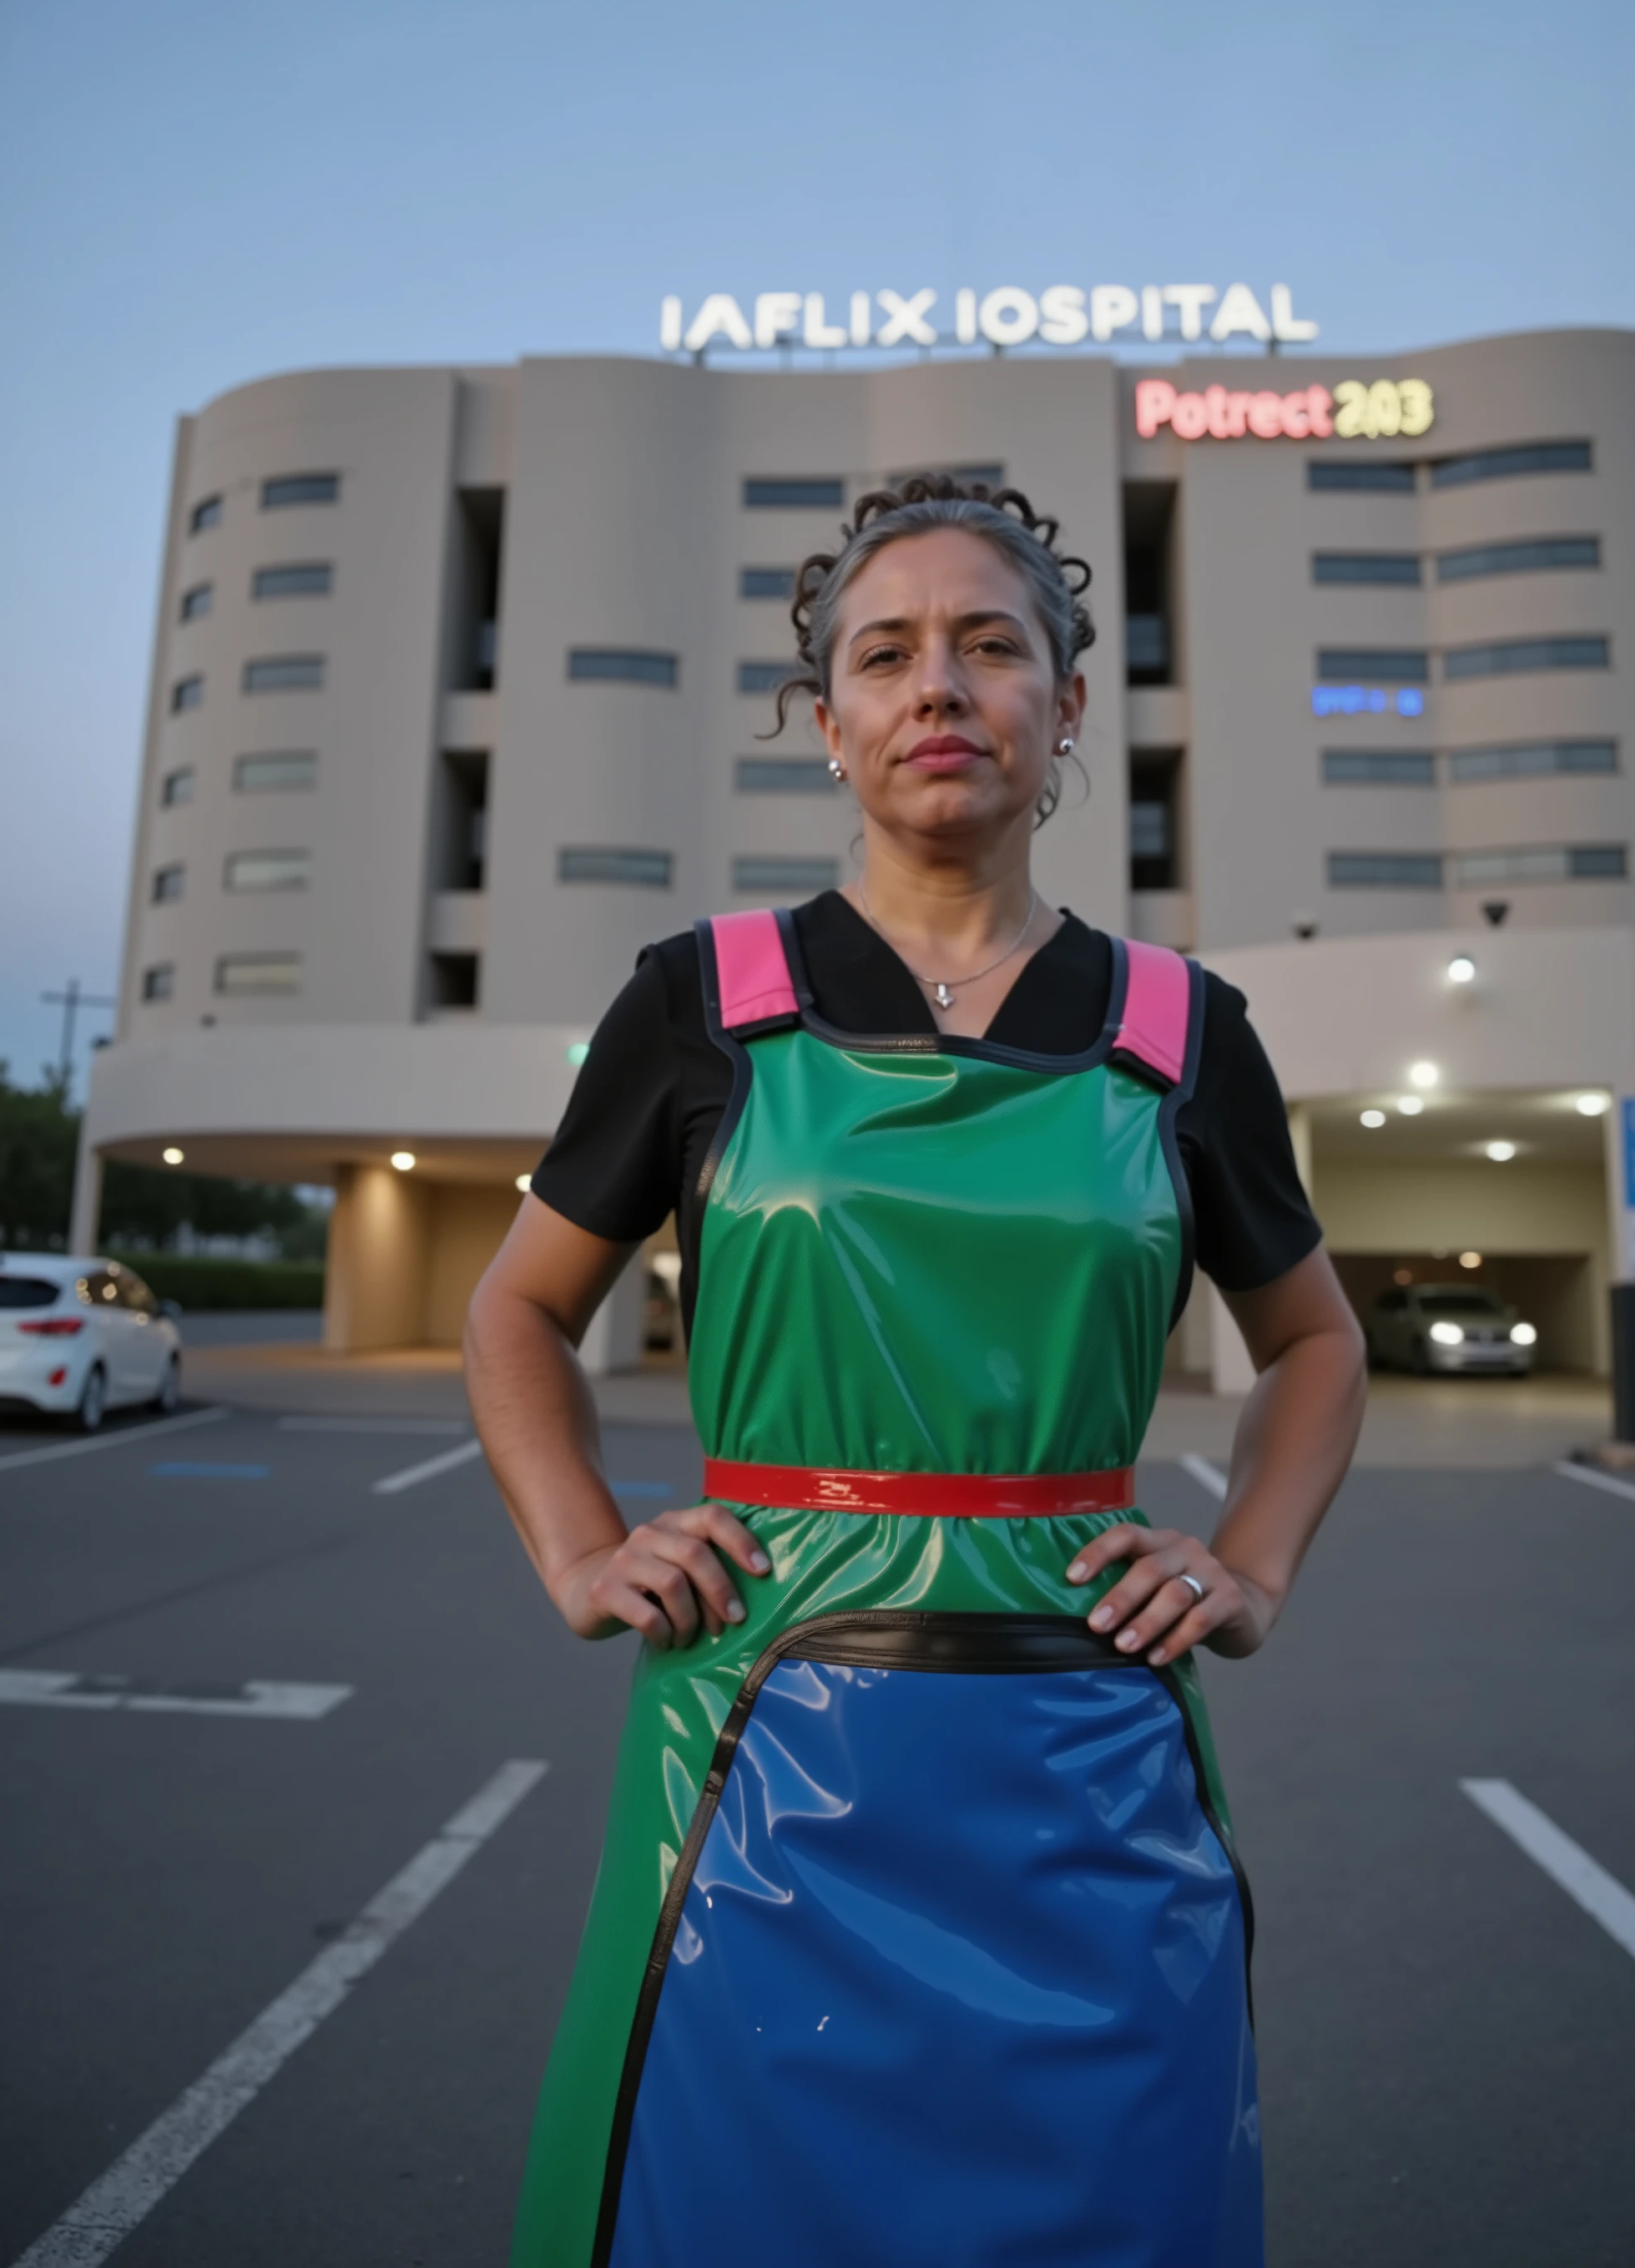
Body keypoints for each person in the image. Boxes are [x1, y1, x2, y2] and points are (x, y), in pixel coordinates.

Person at [465, 477, 1367, 2267]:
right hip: (757, 1742)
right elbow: (515, 1311)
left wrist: (1250, 1564)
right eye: (886, 654)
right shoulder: (700, 1002)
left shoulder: (1184, 1031)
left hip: (1093, 1739)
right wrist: (578, 1547)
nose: (938, 687)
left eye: (990, 646)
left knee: (1121, 2210)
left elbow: (1317, 1340)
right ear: (829, 723)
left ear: (1067, 705)